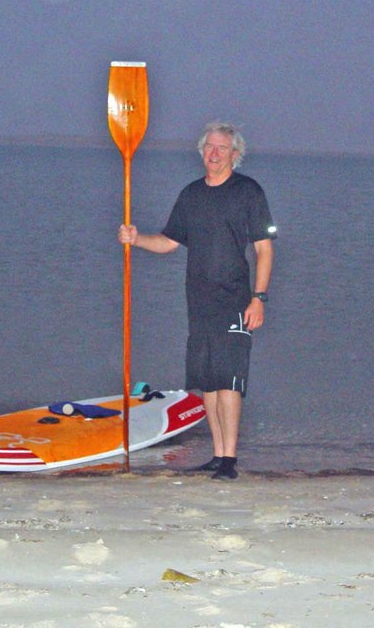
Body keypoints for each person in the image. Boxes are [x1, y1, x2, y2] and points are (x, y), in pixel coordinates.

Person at [118, 122, 276, 479]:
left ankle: (230, 460)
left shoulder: (248, 192)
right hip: (199, 301)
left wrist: (259, 298)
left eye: (223, 148)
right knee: (208, 381)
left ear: (236, 156)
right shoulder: (191, 195)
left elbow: (265, 250)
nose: (215, 153)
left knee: (229, 381)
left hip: (236, 299)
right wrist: (136, 238)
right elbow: (169, 242)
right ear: (202, 152)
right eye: (209, 147)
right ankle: (218, 455)